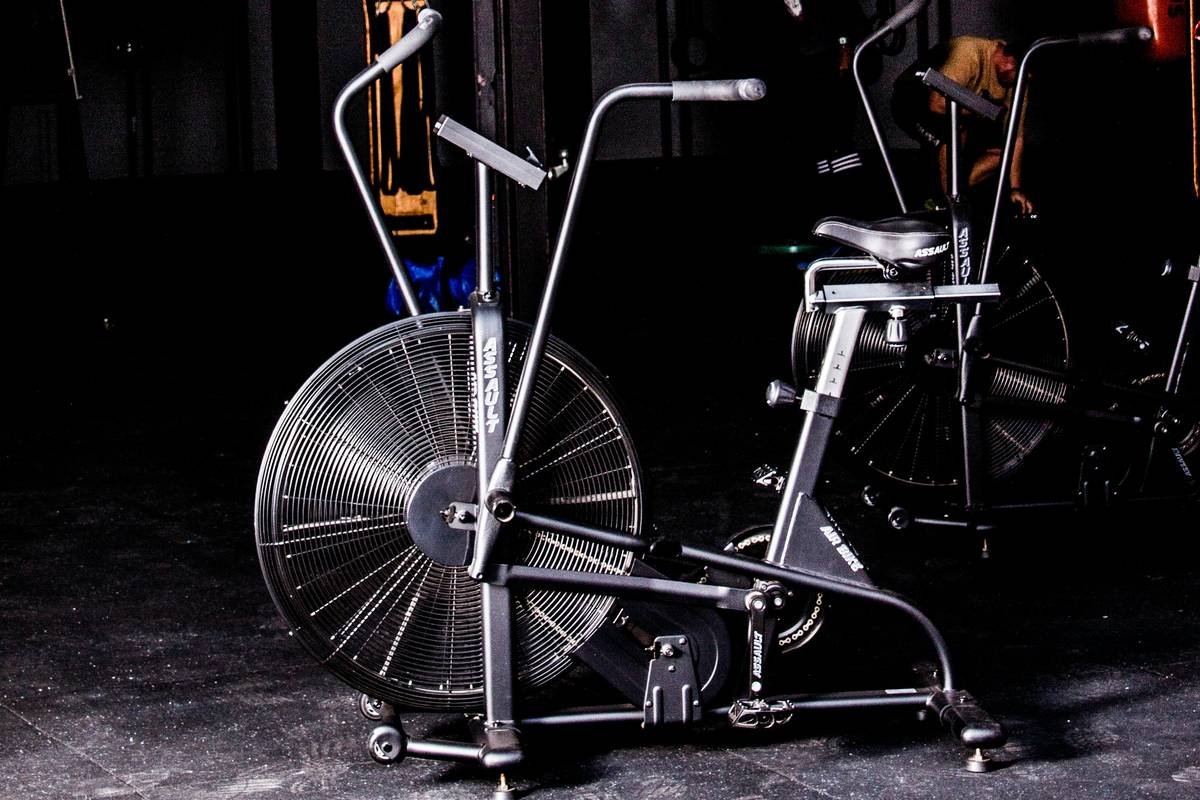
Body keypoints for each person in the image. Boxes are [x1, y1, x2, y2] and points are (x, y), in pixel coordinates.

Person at [927, 36, 1034, 214]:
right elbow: (935, 103)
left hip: (960, 117)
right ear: (1009, 62)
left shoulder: (1019, 80)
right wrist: (983, 112)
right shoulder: (970, 53)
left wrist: (1015, 189)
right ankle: (948, 209)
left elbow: (1016, 138)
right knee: (956, 130)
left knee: (1003, 157)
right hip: (913, 101)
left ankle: (948, 194)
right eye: (1019, 78)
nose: (1020, 84)